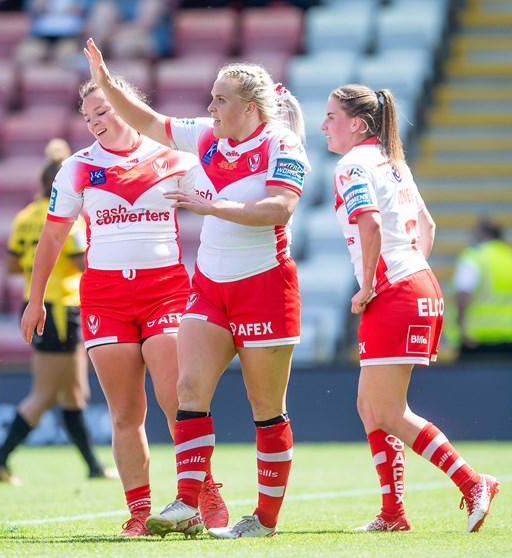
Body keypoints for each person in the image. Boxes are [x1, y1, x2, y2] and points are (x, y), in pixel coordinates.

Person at [85, 38, 309, 539]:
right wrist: (105, 83)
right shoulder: (206, 136)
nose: (209, 108)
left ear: (249, 108)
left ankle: (264, 521)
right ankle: (188, 503)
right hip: (209, 287)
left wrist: (212, 209)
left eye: (220, 100)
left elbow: (279, 209)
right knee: (188, 389)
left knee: (265, 408)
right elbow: (146, 121)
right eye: (210, 98)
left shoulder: (281, 144)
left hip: (266, 288)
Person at [19, 75, 228, 537]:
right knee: (125, 413)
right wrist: (35, 301)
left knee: (177, 400)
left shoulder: (175, 157)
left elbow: (221, 211)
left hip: (167, 292)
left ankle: (202, 490)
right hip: (105, 298)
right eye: (88, 116)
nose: (95, 122)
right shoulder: (76, 167)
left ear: (128, 106)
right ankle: (138, 512)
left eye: (104, 111)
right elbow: (53, 236)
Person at [320, 84, 500, 533]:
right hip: (416, 282)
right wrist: (410, 270)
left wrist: (368, 286)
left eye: (331, 117)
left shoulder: (352, 165)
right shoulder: (392, 163)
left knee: (388, 411)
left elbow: (371, 224)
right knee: (369, 405)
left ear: (356, 123)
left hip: (393, 290)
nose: (323, 125)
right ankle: (393, 513)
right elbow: (429, 226)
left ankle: (473, 481)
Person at [0, 138, 117, 484]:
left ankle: (92, 465)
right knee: (45, 394)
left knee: (75, 393)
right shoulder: (69, 220)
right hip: (62, 309)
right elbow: (85, 263)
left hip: (36, 303)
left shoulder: (24, 217)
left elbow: (15, 268)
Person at [453, 217, 512, 361]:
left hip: (476, 339)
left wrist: (461, 327)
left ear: (482, 234)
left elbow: (463, 292)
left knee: (471, 383)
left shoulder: (474, 257)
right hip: (510, 339)